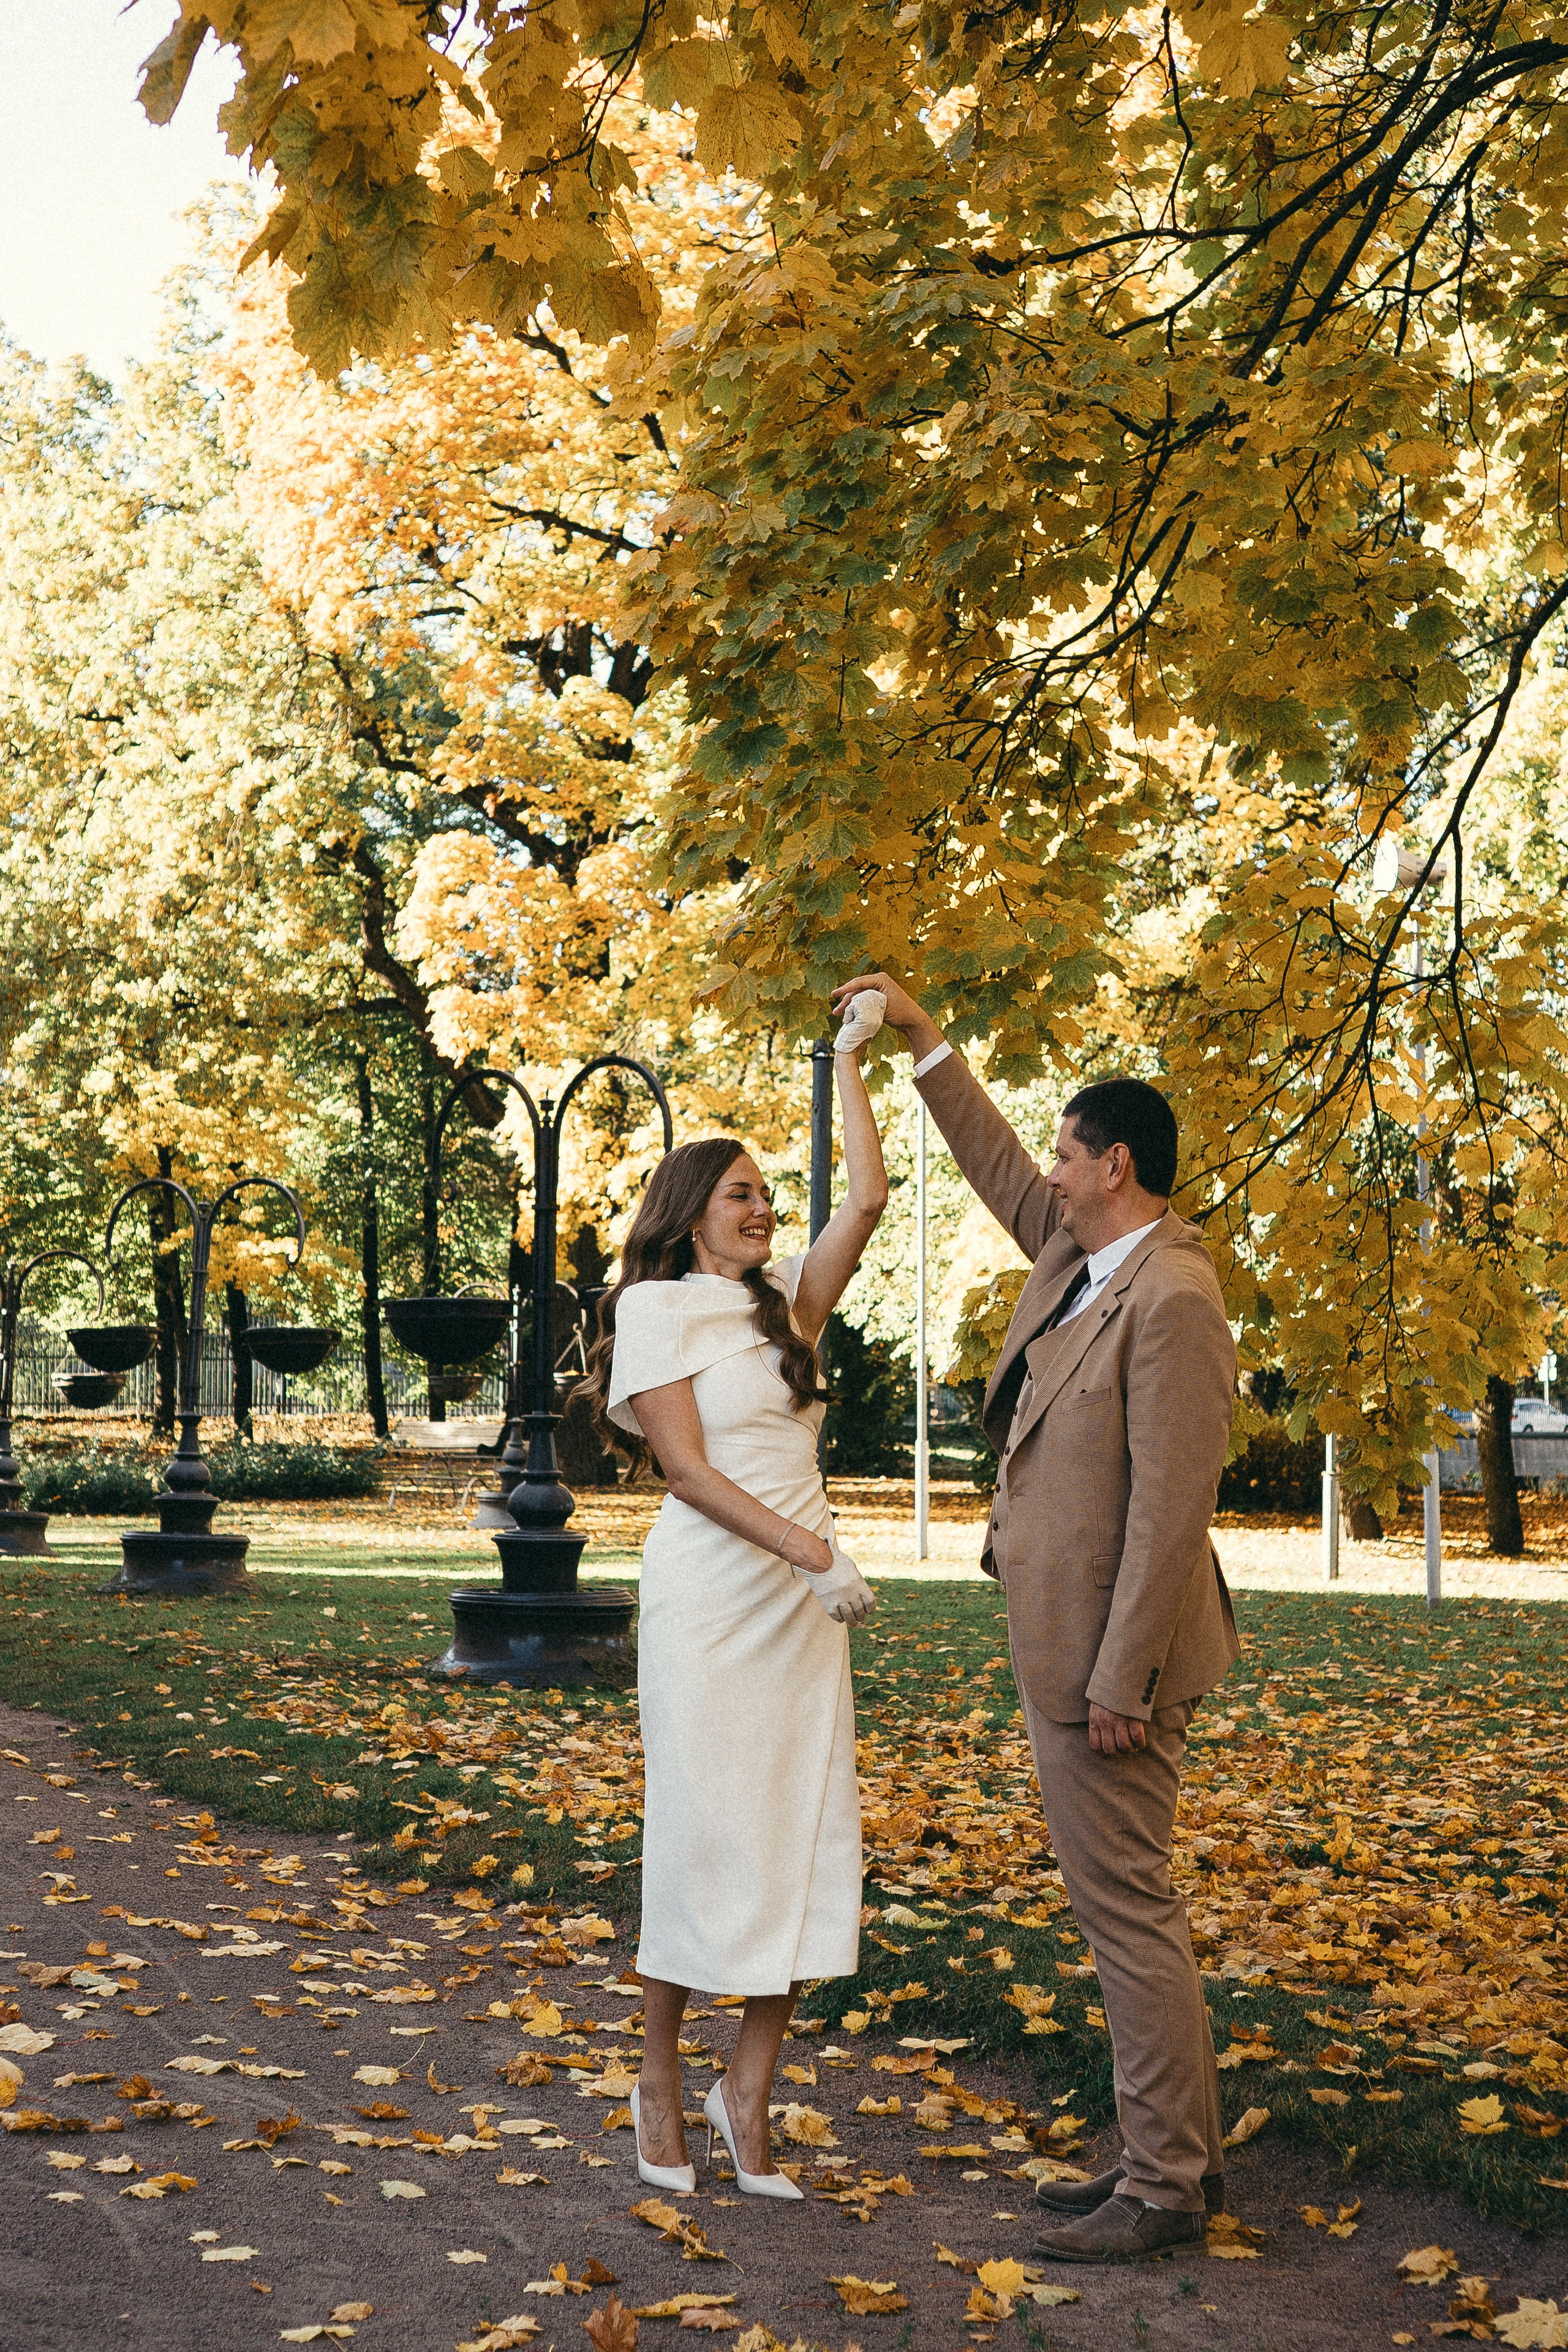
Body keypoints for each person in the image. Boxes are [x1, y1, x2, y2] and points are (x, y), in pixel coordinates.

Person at [830, 974, 1238, 2264]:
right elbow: (995, 1163)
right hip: (1064, 1637)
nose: (1048, 1178)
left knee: (1125, 1907)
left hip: (1109, 1661)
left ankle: (1163, 2186)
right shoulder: (1082, 1253)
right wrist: (916, 1036)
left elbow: (1171, 1512)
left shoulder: (1171, 1294)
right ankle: (1168, 2159)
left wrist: (1120, 1676)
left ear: (1114, 1165)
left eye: (1069, 1158)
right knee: (1118, 1901)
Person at [576, 1028, 888, 2198]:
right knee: (708, 1834)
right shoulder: (656, 1313)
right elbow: (690, 1474)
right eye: (740, 1194)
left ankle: (746, 2091)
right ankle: (657, 2079)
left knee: (801, 1837)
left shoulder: (783, 1315)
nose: (762, 1208)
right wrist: (817, 1549)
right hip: (718, 1597)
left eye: (766, 1194)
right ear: (690, 1213)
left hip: (804, 1609)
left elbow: (866, 1196)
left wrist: (857, 1056)